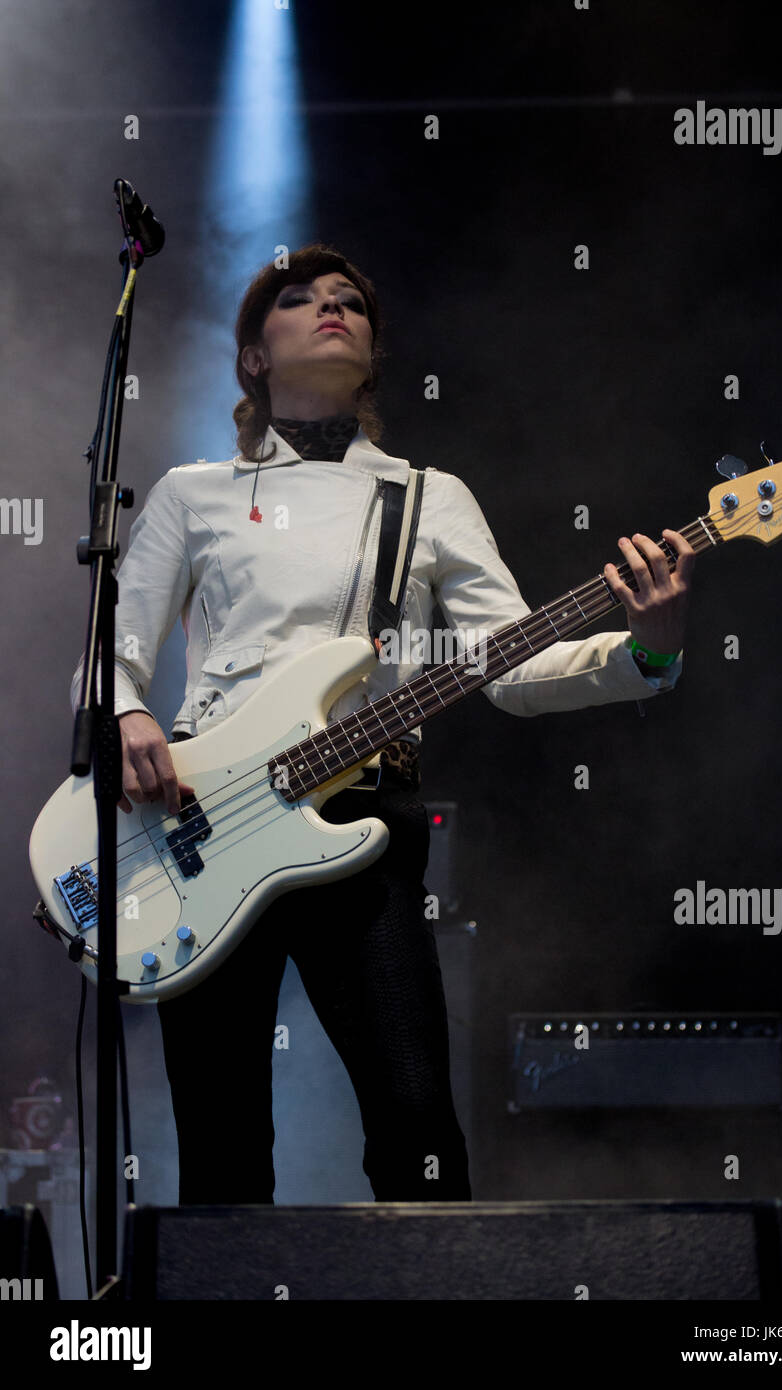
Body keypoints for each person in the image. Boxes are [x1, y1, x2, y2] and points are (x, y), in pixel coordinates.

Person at [71, 242, 694, 1205]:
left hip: (361, 831)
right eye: (300, 298)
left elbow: (510, 667)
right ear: (252, 356)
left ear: (372, 351)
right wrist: (126, 714)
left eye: (350, 301)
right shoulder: (192, 494)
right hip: (201, 825)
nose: (332, 307)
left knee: (417, 1124)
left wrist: (644, 650)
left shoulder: (428, 496)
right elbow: (111, 648)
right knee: (223, 1140)